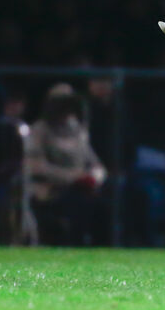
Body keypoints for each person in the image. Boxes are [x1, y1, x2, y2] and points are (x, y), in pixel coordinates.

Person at [25, 83, 108, 245]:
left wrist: (94, 177)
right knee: (77, 206)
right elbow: (36, 166)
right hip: (51, 191)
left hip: (80, 189)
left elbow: (95, 163)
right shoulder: (40, 130)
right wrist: (73, 177)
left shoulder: (77, 131)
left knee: (103, 206)